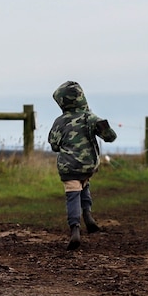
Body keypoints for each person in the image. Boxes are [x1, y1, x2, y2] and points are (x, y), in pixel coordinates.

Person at [48, 81, 117, 250]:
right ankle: (88, 216)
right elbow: (110, 137)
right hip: (87, 166)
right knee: (84, 186)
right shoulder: (90, 118)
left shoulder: (59, 121)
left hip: (68, 167)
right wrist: (104, 126)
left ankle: (75, 230)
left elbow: (54, 145)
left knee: (73, 194)